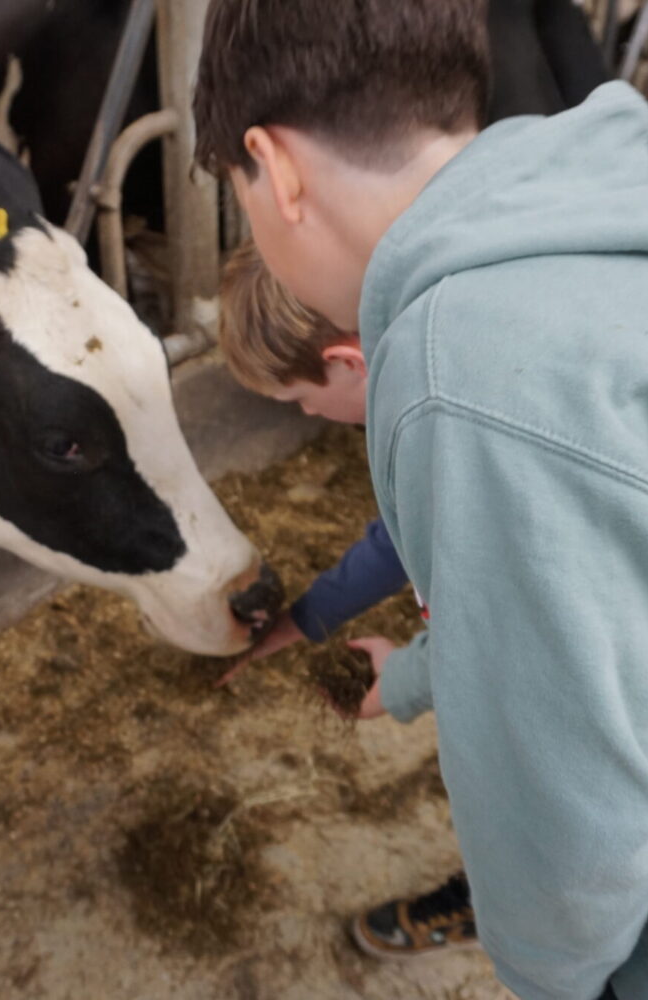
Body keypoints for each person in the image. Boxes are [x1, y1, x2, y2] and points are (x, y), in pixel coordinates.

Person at [192, 2, 648, 999]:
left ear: (276, 169)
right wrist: (412, 676)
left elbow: (574, 840)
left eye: (240, 200)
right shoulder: (606, 250)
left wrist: (548, 974)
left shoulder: (471, 364)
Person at [216, 242, 484, 958]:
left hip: (566, 704)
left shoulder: (463, 445)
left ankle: (503, 908)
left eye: (301, 399)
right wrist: (305, 621)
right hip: (531, 678)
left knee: (532, 812)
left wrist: (399, 680)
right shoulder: (432, 395)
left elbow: (510, 639)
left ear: (347, 363)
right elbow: (399, 537)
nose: (309, 413)